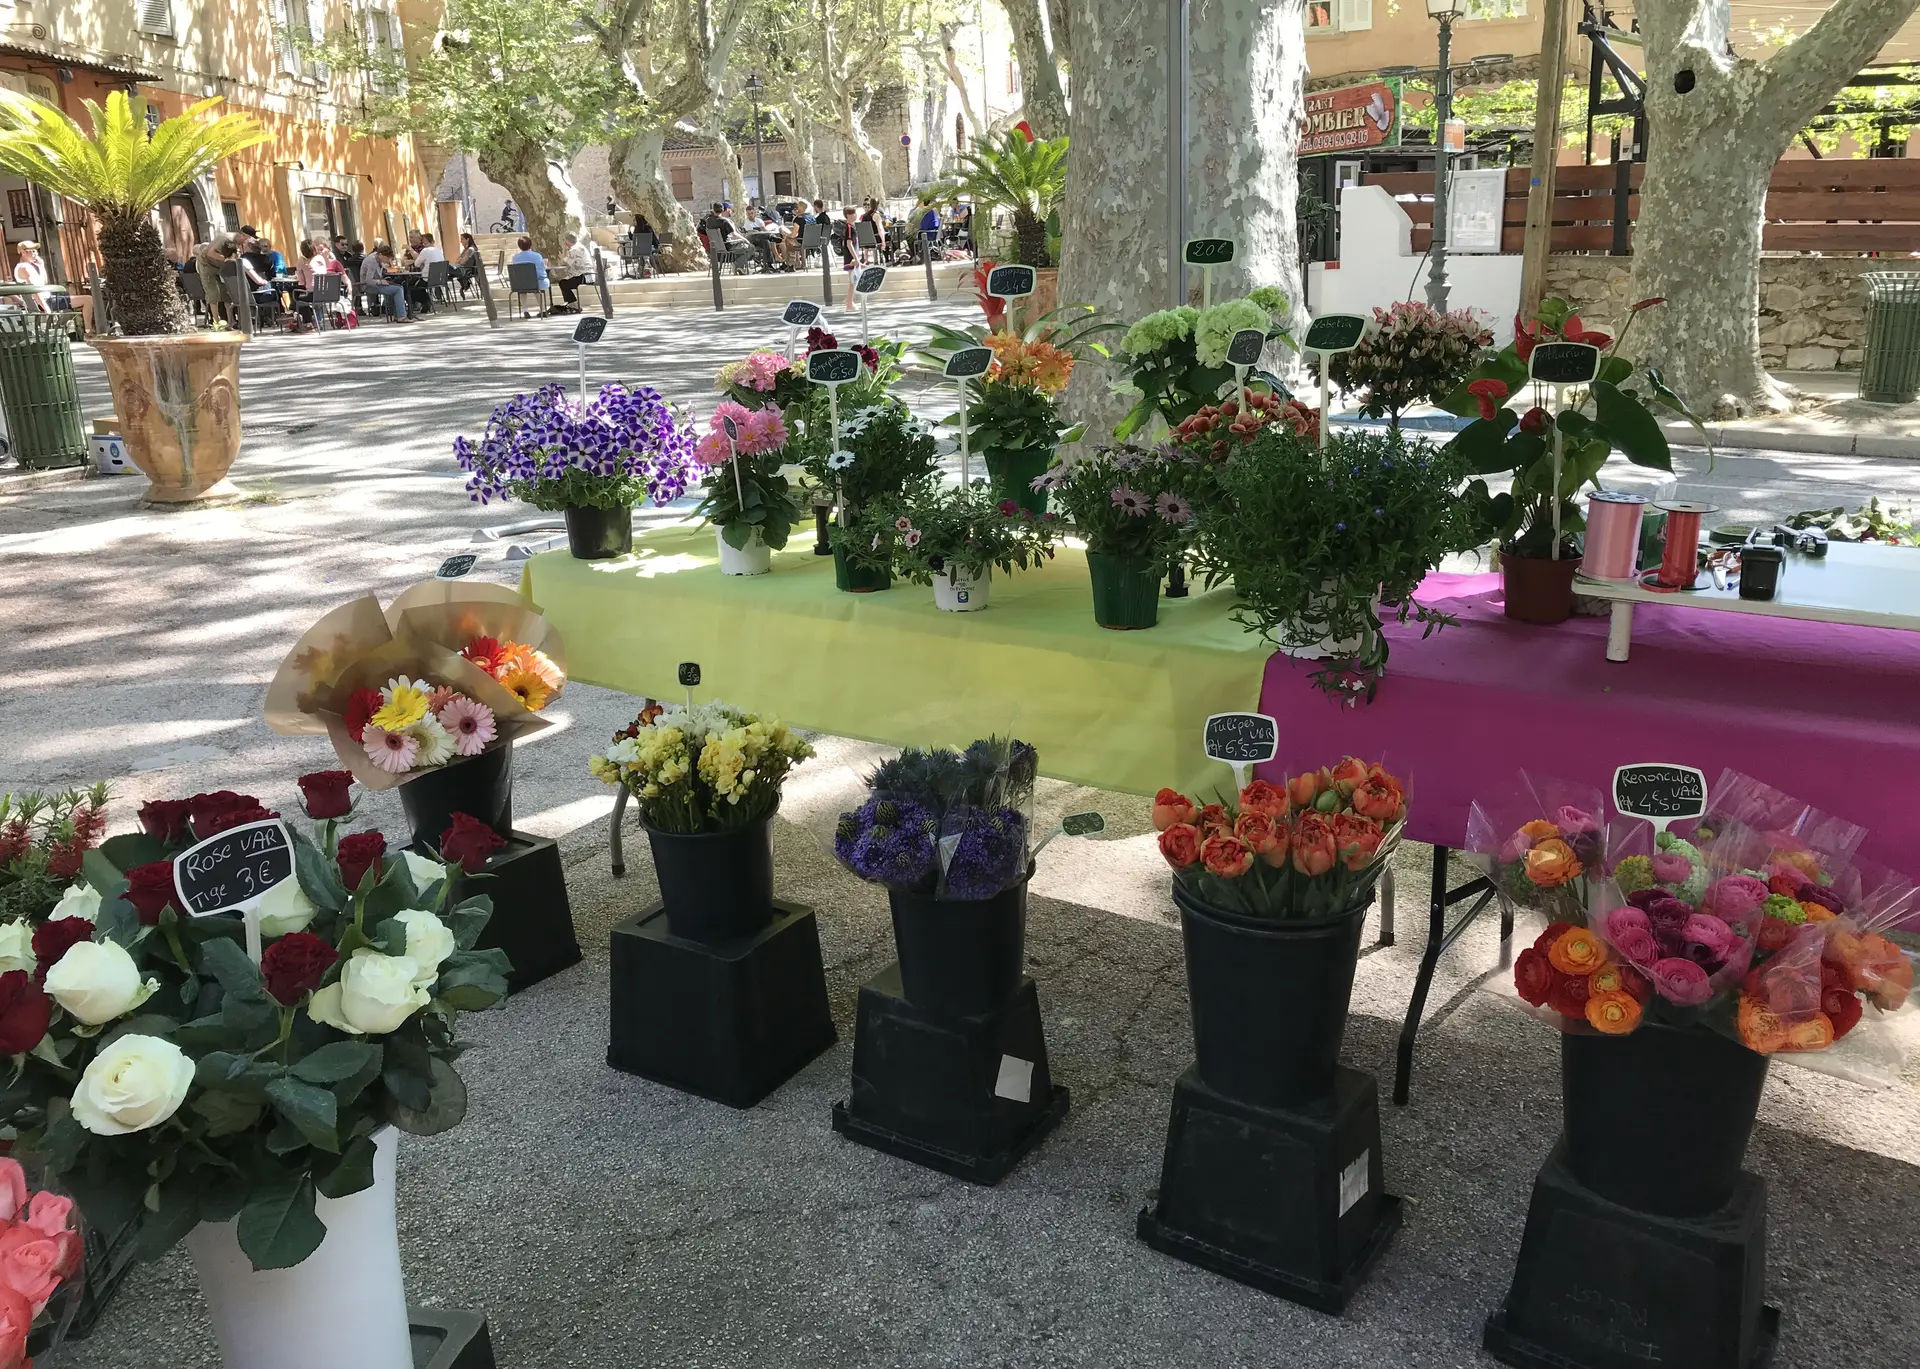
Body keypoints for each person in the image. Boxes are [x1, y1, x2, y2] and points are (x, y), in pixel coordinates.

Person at [358, 240, 412, 322]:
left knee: (397, 287)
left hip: (376, 283)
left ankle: (397, 314)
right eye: (387, 258)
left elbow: (383, 271)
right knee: (398, 289)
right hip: (369, 286)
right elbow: (368, 280)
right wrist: (381, 282)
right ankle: (401, 316)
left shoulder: (376, 258)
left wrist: (394, 270)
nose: (388, 260)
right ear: (380, 255)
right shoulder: (372, 261)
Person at [193, 234, 238, 326]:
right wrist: (227, 259)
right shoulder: (222, 242)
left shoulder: (227, 245)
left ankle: (231, 321)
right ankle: (216, 323)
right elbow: (210, 253)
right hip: (210, 268)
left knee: (226, 293)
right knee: (213, 294)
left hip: (219, 267)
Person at [507, 234, 549, 316]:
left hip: (520, 284)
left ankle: (525, 310)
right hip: (536, 282)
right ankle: (543, 309)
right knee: (537, 287)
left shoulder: (515, 257)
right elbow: (541, 272)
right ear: (530, 244)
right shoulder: (537, 256)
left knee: (523, 290)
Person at [553, 232, 593, 310]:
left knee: (563, 283)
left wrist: (564, 250)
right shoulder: (580, 246)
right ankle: (572, 303)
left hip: (584, 276)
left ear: (567, 241)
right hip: (589, 275)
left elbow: (565, 263)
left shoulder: (574, 249)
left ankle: (573, 304)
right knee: (565, 282)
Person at [10, 240, 49, 312]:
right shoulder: (23, 267)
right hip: (40, 302)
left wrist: (41, 266)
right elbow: (33, 290)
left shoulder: (32, 266)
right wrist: (46, 308)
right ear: (23, 252)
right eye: (32, 251)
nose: (35, 254)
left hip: (46, 298)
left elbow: (44, 282)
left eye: (36, 251)